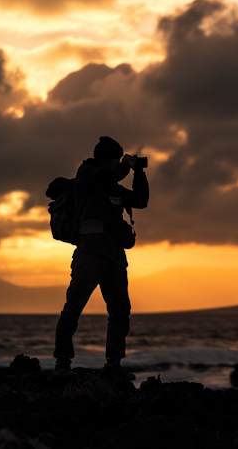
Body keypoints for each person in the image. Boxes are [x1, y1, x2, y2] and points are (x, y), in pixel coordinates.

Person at [52, 136, 149, 379]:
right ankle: (62, 364)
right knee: (73, 308)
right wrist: (126, 166)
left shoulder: (113, 186)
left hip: (115, 256)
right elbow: (108, 175)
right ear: (106, 160)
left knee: (120, 311)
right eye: (115, 160)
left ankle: (113, 364)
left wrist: (139, 172)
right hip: (90, 254)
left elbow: (141, 200)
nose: (116, 164)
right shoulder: (86, 176)